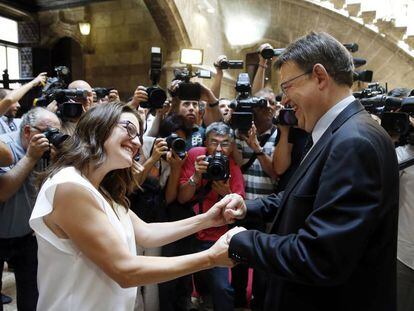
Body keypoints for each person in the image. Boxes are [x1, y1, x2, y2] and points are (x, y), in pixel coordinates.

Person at [217, 32, 399, 311]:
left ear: (320, 76)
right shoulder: (337, 132)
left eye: (287, 87)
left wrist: (240, 240)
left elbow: (320, 257)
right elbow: (303, 196)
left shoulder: (354, 141)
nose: (284, 100)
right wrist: (247, 208)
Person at [29, 102, 236, 311]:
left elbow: (146, 232)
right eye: (128, 129)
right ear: (99, 126)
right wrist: (210, 258)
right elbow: (125, 270)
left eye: (138, 134)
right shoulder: (70, 186)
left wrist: (208, 219)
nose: (136, 141)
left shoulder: (100, 187)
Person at [178, 122, 245, 311]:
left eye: (225, 144)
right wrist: (196, 177)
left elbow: (239, 210)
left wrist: (227, 193)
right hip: (192, 231)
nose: (218, 149)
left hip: (217, 236)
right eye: (214, 142)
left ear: (231, 146)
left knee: (222, 287)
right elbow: (183, 198)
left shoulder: (232, 166)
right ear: (206, 142)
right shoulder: (195, 156)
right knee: (194, 284)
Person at [0, 107, 61, 311]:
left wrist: (56, 162)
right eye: (48, 132)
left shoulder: (48, 151)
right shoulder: (6, 147)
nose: (52, 138)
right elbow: (4, 191)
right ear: (27, 131)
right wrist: (31, 157)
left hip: (27, 235)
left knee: (31, 293)